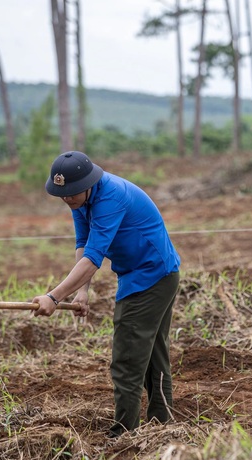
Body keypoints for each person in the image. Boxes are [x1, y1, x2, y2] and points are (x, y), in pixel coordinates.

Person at [32, 151, 181, 437]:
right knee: (152, 355)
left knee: (127, 359)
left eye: (72, 193)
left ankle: (124, 434)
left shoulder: (111, 197)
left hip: (151, 277)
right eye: (62, 193)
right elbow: (84, 243)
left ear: (87, 184)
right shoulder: (81, 198)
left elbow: (94, 257)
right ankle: (162, 426)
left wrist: (54, 297)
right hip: (150, 273)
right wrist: (81, 292)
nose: (67, 199)